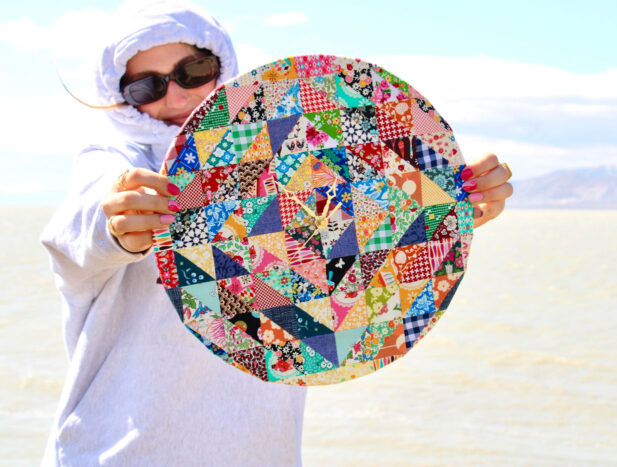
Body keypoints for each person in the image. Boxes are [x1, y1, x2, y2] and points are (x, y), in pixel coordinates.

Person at [40, 1, 513, 465]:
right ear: (123, 97)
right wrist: (119, 221)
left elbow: (367, 241)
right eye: (146, 86)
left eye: (193, 70)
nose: (178, 97)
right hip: (112, 456)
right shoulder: (117, 163)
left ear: (220, 67)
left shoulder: (290, 157)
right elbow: (80, 229)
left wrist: (452, 205)